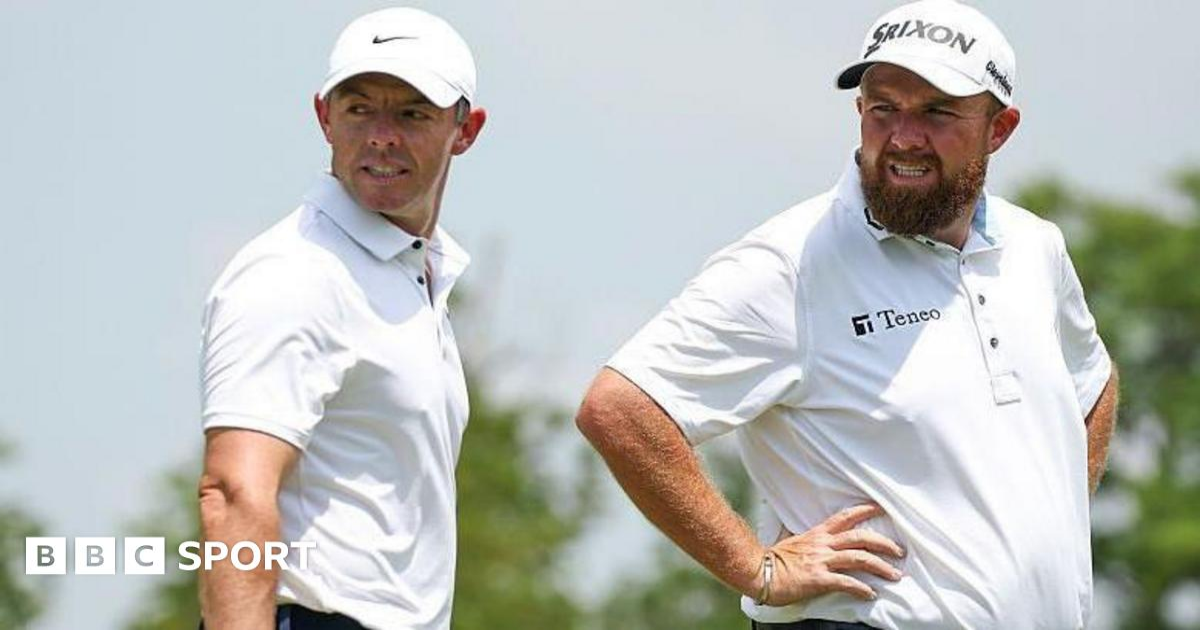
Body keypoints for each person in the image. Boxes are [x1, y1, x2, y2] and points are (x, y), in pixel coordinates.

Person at [576, 1, 1117, 628]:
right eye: (884, 108)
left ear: (999, 129)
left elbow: (1092, 383)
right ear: (859, 110)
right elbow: (619, 408)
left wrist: (1053, 522)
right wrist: (758, 568)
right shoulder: (789, 263)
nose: (904, 137)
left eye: (937, 112)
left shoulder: (1035, 248)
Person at [196, 8, 485, 629]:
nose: (381, 135)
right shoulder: (292, 274)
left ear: (466, 130)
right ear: (324, 117)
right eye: (359, 109)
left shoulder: (415, 271)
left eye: (412, 114)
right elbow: (232, 494)